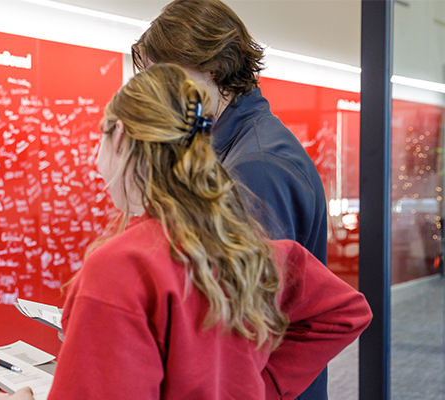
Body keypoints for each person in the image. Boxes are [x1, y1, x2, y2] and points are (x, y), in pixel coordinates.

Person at [0, 64, 371, 400]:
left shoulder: (119, 267)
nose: (95, 158)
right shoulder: (247, 248)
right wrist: (260, 385)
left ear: (119, 136)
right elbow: (345, 312)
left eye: (100, 138)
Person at [131, 1, 331, 398]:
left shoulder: (256, 166)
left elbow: (245, 317)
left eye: (165, 77)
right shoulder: (237, 147)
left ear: (213, 70)